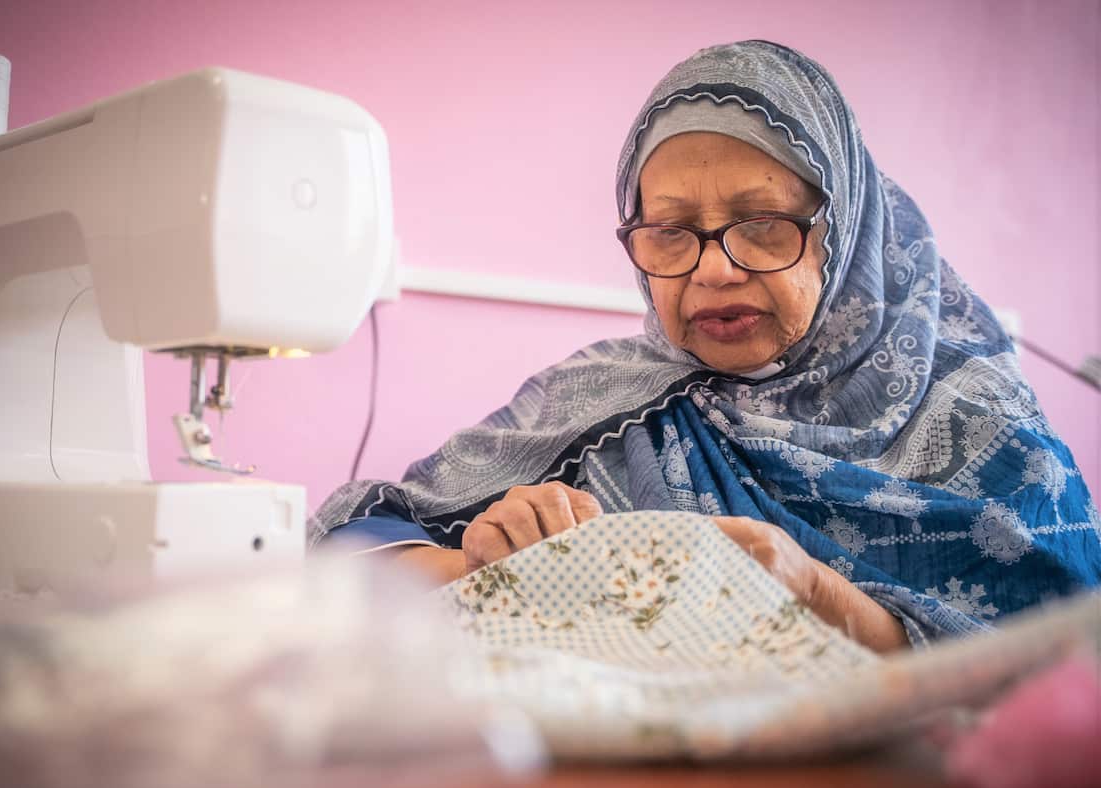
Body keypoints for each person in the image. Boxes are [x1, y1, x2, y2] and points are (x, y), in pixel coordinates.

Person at [309, 40, 1100, 652]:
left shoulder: (980, 424)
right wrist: (481, 566)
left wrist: (818, 596)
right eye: (672, 231)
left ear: (847, 233)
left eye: (763, 224)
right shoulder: (597, 397)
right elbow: (351, 550)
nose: (714, 269)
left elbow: (1065, 658)